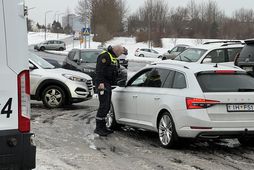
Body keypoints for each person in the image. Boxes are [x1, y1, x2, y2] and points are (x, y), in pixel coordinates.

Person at [94, 45, 128, 136]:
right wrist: (101, 83)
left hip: (108, 83)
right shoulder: (105, 56)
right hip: (102, 84)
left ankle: (103, 127)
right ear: (116, 51)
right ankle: (98, 128)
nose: (120, 55)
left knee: (107, 106)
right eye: (120, 53)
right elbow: (99, 70)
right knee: (104, 105)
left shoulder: (113, 57)